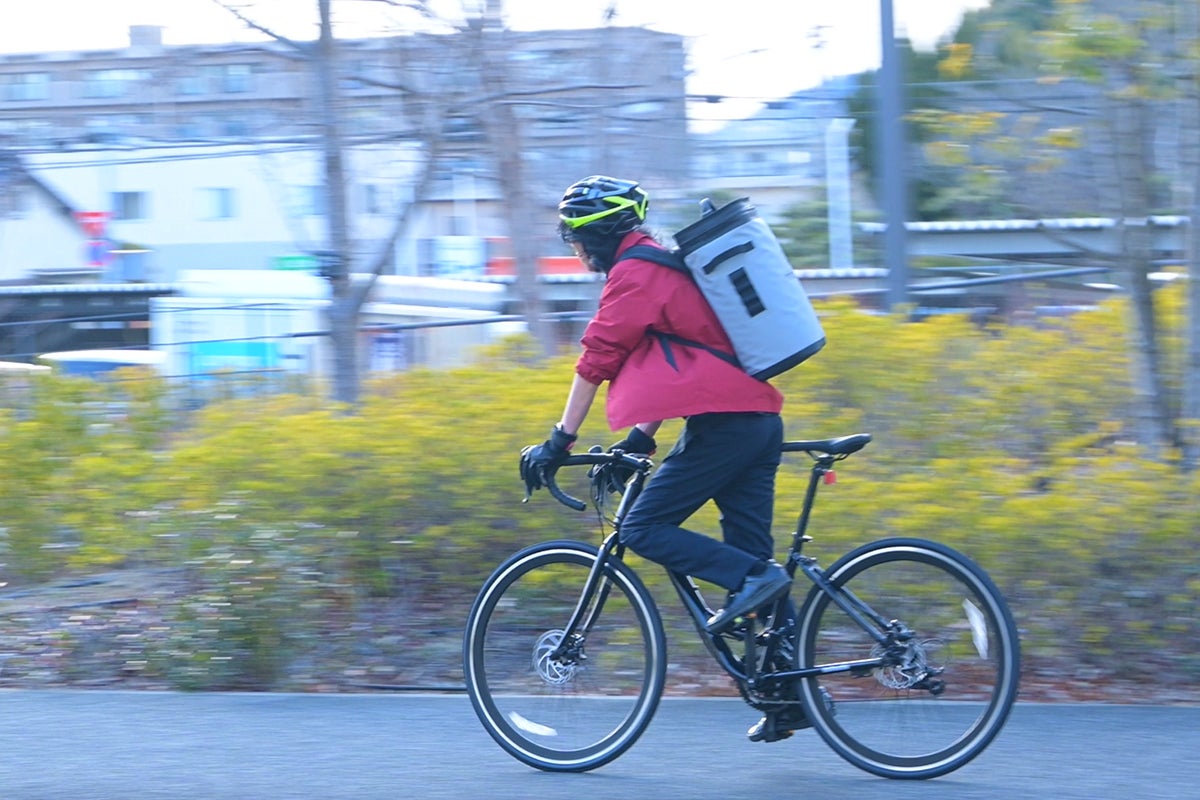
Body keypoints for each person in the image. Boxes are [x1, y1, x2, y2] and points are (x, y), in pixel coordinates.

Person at [519, 175, 805, 742]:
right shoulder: (663, 263)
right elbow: (681, 359)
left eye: (575, 240)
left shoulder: (635, 272)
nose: (576, 253)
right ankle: (791, 696)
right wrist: (639, 439)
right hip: (755, 423)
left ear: (596, 234)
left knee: (645, 528)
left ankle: (756, 581)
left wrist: (559, 441)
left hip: (725, 427)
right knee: (752, 563)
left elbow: (596, 360)